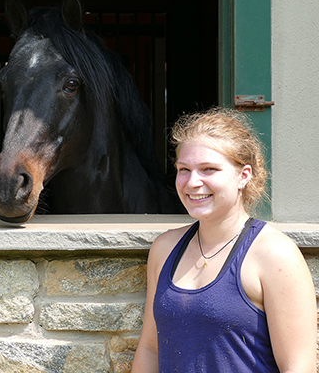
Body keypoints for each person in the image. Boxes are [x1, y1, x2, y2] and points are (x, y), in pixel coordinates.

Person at [131, 108, 317, 373]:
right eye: (184, 169)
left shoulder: (275, 255)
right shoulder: (165, 248)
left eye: (209, 169)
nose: (192, 182)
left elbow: (300, 366)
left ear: (243, 176)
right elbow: (150, 348)